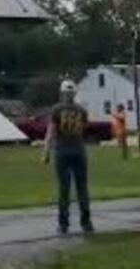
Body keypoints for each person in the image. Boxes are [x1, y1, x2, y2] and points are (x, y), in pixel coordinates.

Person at [43, 80, 93, 235]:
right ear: (74, 93)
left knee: (64, 189)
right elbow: (84, 128)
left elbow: (51, 131)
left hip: (62, 151)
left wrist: (46, 151)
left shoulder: (56, 109)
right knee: (82, 188)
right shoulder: (81, 110)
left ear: (62, 93)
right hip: (79, 150)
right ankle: (86, 223)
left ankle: (63, 224)